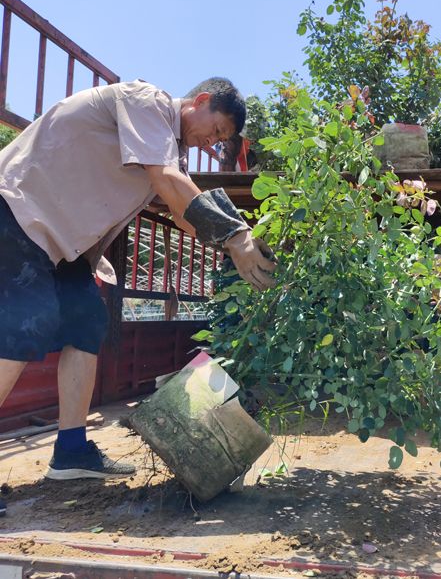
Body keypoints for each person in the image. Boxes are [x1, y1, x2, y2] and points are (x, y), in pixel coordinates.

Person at [0, 77, 277, 515]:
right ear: (200, 101)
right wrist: (234, 235)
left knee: (88, 322)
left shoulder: (167, 148)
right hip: (17, 207)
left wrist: (238, 243)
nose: (213, 141)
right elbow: (168, 182)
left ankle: (71, 451)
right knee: (24, 324)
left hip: (60, 240)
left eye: (221, 138)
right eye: (218, 129)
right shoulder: (147, 103)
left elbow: (184, 207)